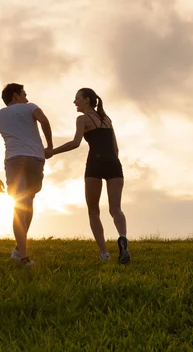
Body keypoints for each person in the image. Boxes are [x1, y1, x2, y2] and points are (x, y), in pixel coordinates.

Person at [47, 88, 130, 264]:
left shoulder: (82, 119)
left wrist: (52, 152)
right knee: (116, 209)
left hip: (95, 163)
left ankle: (104, 254)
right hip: (114, 164)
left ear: (86, 100)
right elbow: (116, 148)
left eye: (77, 98)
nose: (74, 102)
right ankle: (123, 237)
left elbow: (75, 143)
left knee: (93, 210)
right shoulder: (107, 119)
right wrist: (112, 161)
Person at [0, 83, 53, 267]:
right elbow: (45, 121)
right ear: (15, 96)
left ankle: (19, 251)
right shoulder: (31, 107)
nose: (27, 97)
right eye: (24, 94)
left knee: (22, 205)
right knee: (27, 204)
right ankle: (22, 257)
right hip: (35, 158)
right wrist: (49, 146)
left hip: (14, 160)